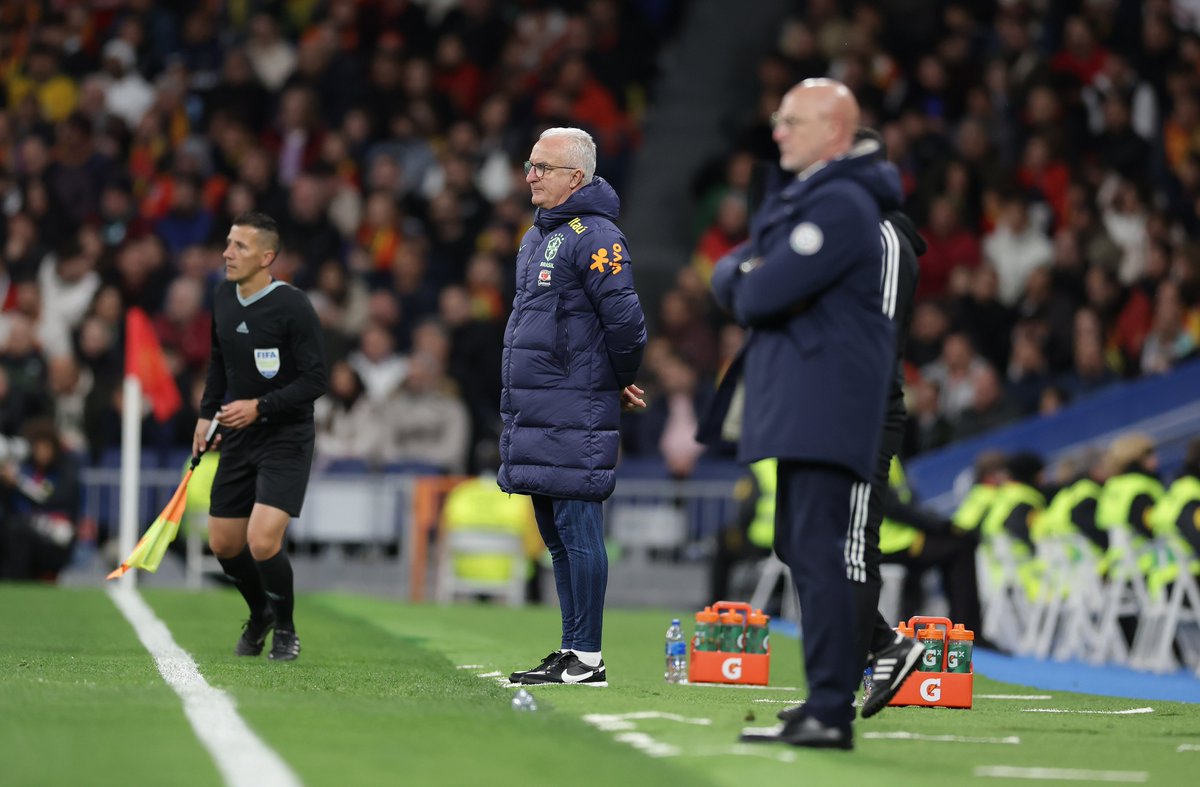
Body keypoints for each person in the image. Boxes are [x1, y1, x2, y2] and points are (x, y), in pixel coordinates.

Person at [703, 79, 900, 749]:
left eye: (793, 121)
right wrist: (748, 274)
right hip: (804, 403)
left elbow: (755, 290)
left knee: (821, 557)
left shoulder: (841, 204)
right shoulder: (816, 198)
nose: (778, 131)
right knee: (804, 552)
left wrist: (750, 276)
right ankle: (823, 702)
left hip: (826, 405)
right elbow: (737, 271)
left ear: (836, 132)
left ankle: (828, 707)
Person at [500, 128, 647, 686]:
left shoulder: (597, 235)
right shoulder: (537, 235)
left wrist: (618, 379)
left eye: (543, 166)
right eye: (530, 163)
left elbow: (628, 324)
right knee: (557, 536)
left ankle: (587, 657)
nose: (531, 174)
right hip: (540, 409)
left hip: (573, 409)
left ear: (575, 178)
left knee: (579, 529)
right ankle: (571, 650)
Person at [196, 211, 328, 662]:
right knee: (224, 544)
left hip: (285, 436)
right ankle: (260, 615)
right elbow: (219, 361)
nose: (227, 252)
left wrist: (260, 406)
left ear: (267, 257)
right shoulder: (222, 296)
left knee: (263, 540)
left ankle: (286, 628)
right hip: (237, 434)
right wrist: (206, 415)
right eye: (228, 243)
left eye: (240, 247)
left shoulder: (292, 305)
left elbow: (316, 380)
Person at [0, 419, 81, 581]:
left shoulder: (64, 473)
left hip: (52, 536)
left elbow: (47, 497)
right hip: (20, 531)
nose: (42, 452)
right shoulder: (26, 468)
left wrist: (18, 483)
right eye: (38, 448)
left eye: (46, 448)